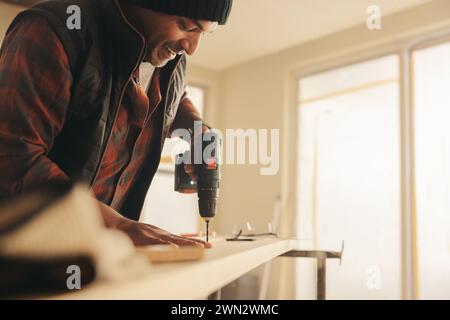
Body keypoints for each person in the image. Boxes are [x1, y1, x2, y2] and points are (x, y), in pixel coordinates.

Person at [0, 0, 233, 247]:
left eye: (205, 34)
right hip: (22, 259)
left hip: (95, 257)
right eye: (187, 26)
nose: (192, 47)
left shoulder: (170, 59)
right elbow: (11, 155)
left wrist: (198, 130)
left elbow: (175, 98)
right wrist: (116, 225)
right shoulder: (55, 30)